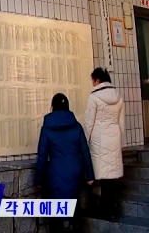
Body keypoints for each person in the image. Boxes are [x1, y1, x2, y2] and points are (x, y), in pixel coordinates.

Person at [36, 93, 94, 232]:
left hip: (55, 173)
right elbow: (85, 151)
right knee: (74, 204)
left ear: (52, 107)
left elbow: (42, 156)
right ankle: (77, 226)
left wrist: (39, 179)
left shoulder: (47, 128)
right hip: (75, 171)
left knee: (56, 211)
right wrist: (90, 176)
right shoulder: (77, 126)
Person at [84, 68, 125, 221]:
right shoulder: (118, 96)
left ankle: (105, 209)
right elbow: (121, 123)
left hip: (99, 141)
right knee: (111, 178)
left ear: (97, 80)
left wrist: (85, 141)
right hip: (114, 138)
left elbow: (89, 122)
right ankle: (112, 209)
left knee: (104, 177)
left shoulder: (94, 97)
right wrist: (119, 141)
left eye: (93, 81)